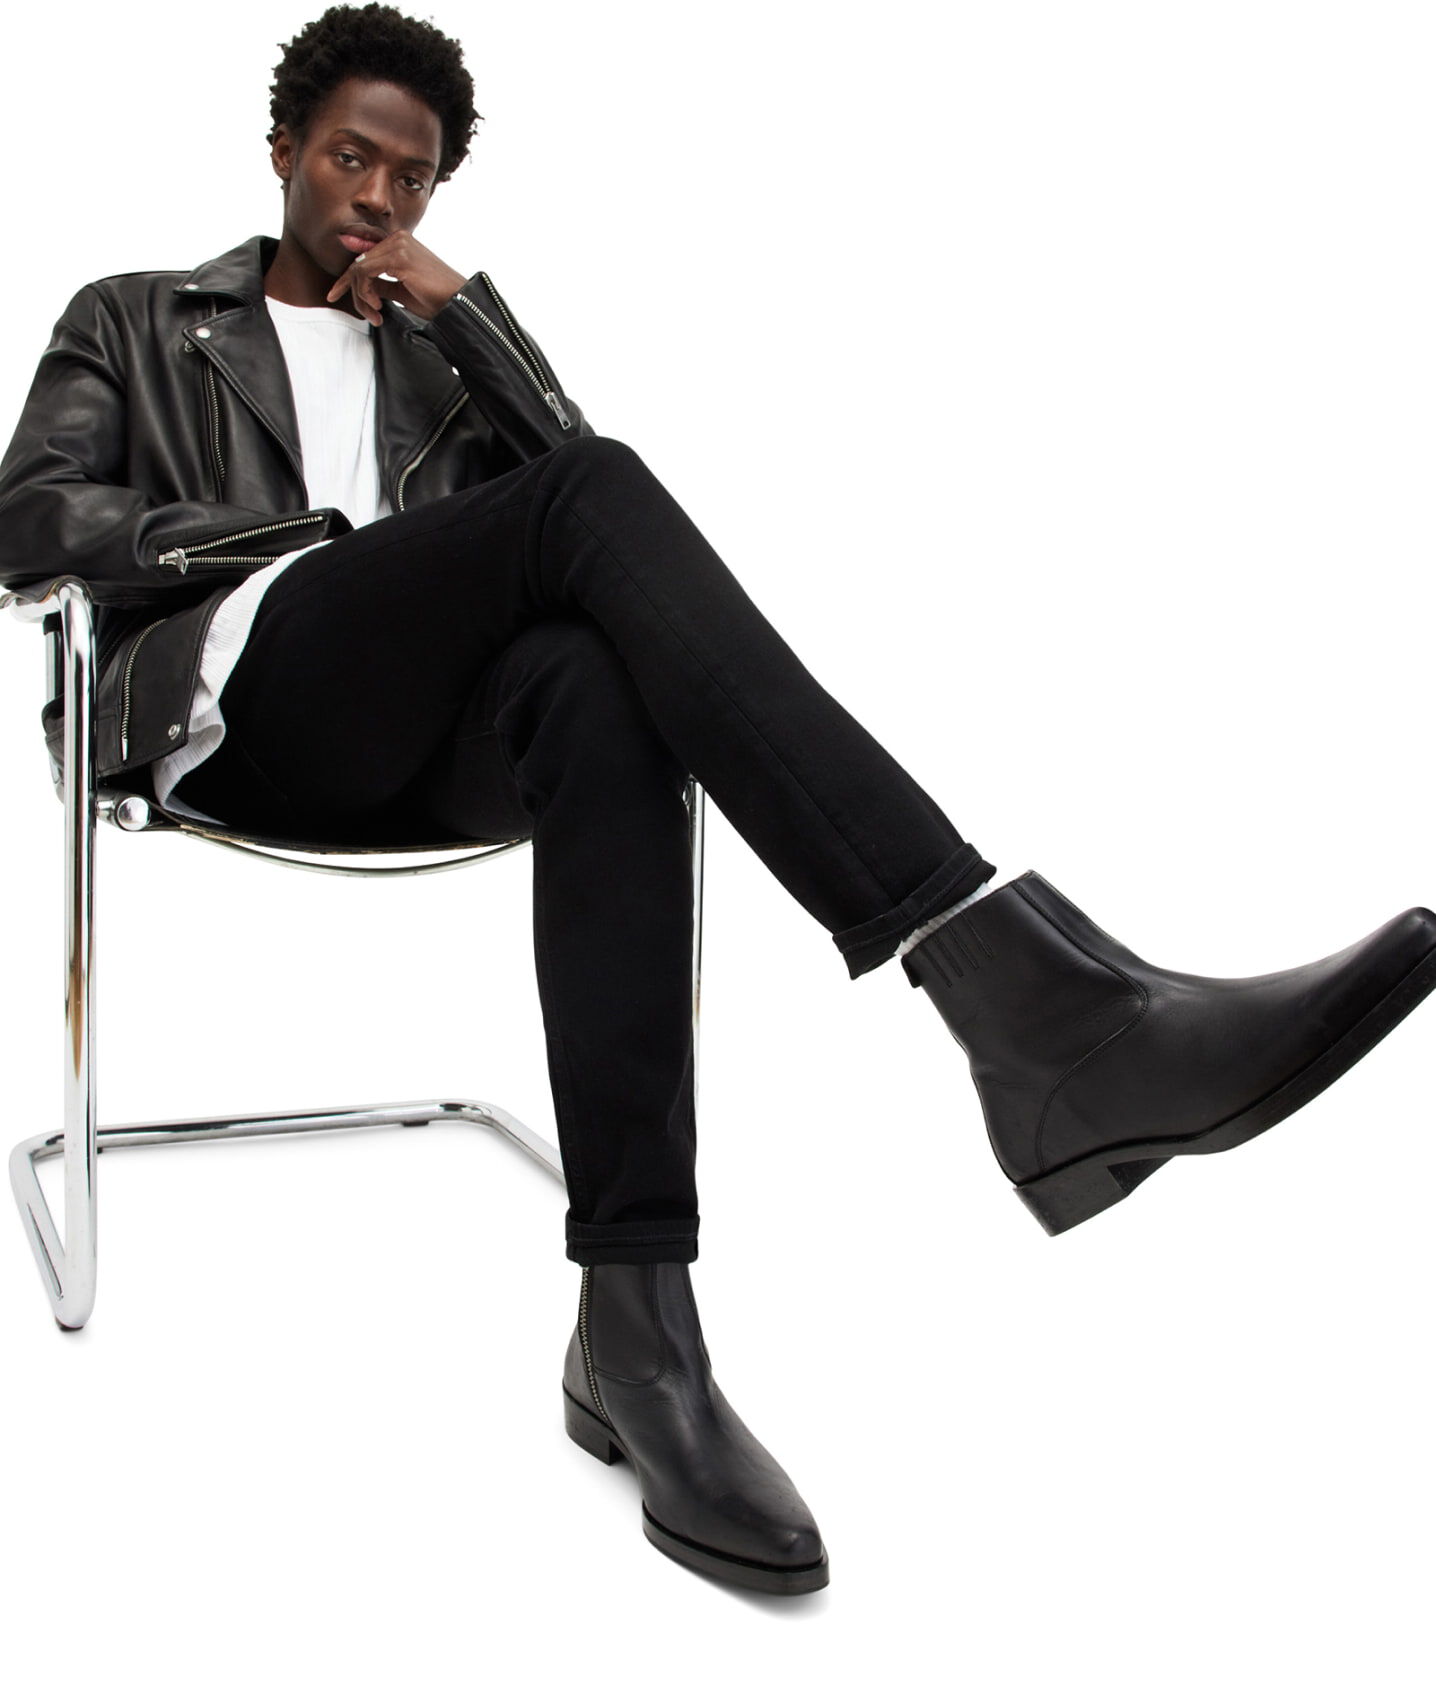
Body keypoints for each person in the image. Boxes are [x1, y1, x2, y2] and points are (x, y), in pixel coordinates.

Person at [1, 2, 1431, 1596]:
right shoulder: (136, 315)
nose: (378, 202)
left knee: (618, 689)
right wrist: (306, 551)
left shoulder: (435, 355)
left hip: (418, 737)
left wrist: (474, 324)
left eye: (412, 182)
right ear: (282, 151)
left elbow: (581, 515)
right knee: (598, 512)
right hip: (230, 705)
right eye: (351, 158)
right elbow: (34, 517)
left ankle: (639, 1327)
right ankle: (1023, 997)